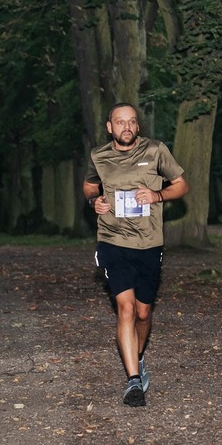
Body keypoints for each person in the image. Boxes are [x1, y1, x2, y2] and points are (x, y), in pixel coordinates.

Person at [83, 102, 189, 408]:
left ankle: (137, 357)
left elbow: (181, 186)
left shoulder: (156, 151)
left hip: (149, 243)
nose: (126, 127)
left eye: (131, 122)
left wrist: (157, 195)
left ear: (137, 126)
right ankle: (133, 381)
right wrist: (94, 202)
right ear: (110, 127)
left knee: (143, 313)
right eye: (120, 122)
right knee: (126, 308)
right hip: (112, 241)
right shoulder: (99, 156)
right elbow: (89, 187)